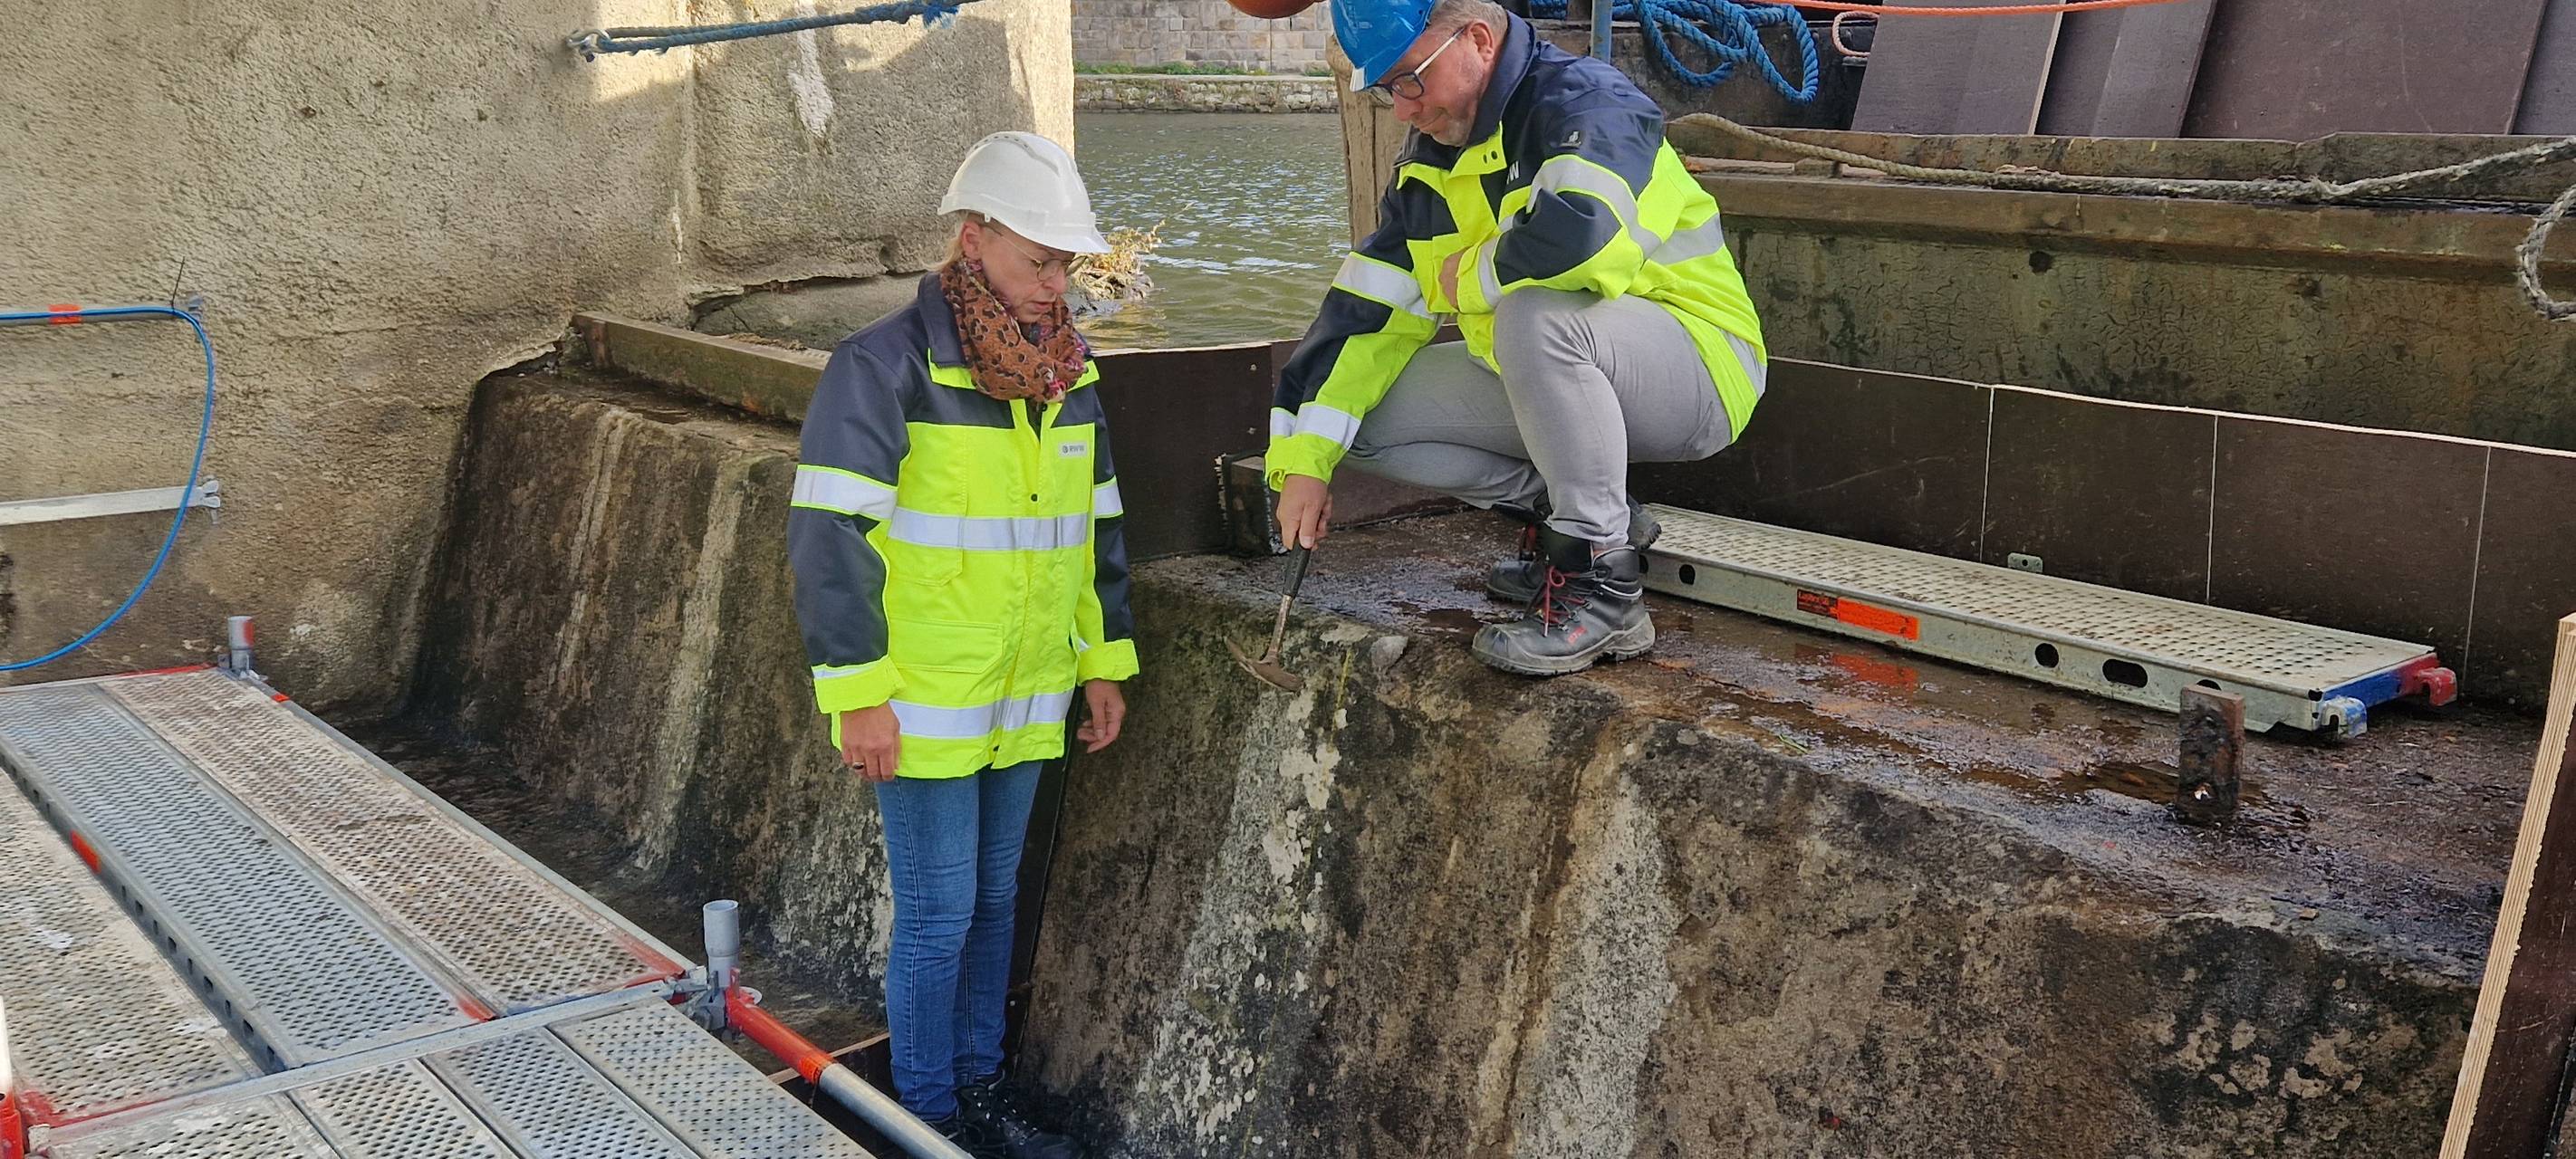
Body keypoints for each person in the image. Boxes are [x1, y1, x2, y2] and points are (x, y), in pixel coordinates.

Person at [787, 130, 1137, 1159]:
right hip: (924, 698)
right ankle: (928, 1117)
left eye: (1067, 263)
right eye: (1039, 259)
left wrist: (1102, 661)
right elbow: (828, 537)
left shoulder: (1071, 377)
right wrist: (857, 695)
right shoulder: (882, 365)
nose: (1054, 283)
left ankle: (977, 1094)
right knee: (939, 916)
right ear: (974, 240)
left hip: (1026, 693)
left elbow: (1096, 531)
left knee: (993, 900)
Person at [1268, 0, 1768, 675]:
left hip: (1702, 370)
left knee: (1533, 313)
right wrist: (1304, 460)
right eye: (1387, 89)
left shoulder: (1588, 104)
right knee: (1354, 421)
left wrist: (1463, 277)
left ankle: (1602, 586)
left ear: (1476, 40)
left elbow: (1582, 239)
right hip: (1559, 368)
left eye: (1409, 80)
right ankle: (1581, 510)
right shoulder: (1430, 168)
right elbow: (1367, 310)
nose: (1403, 111)